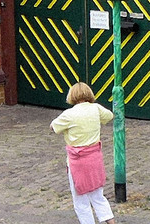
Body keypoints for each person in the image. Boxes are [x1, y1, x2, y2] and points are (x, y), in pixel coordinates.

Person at [50, 82, 116, 224]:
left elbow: (54, 127)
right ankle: (110, 221)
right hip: (94, 158)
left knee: (80, 198)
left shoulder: (68, 114)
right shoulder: (96, 109)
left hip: (77, 161)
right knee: (98, 195)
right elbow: (109, 116)